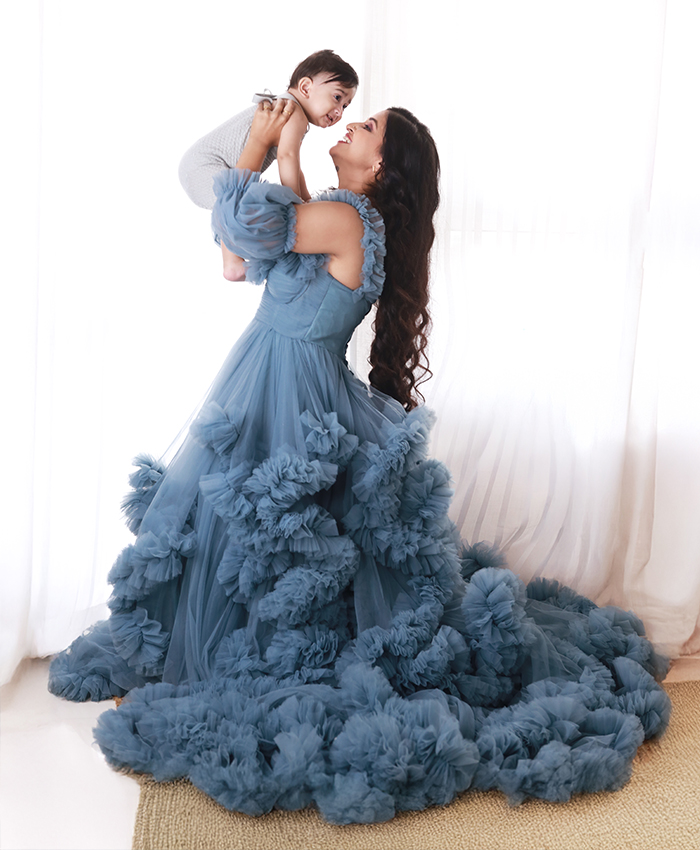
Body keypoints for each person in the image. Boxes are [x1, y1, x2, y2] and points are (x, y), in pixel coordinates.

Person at [48, 100, 671, 825]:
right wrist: (284, 154)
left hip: (292, 393)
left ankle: (248, 653)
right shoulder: (338, 211)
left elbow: (246, 226)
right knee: (250, 530)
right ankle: (229, 641)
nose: (350, 126)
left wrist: (261, 143)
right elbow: (248, 257)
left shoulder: (348, 218)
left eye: (366, 127)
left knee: (269, 531)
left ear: (379, 166)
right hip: (272, 381)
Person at [178, 49, 358, 281]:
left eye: (345, 106)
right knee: (236, 203)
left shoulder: (289, 108)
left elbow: (295, 165)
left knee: (239, 202)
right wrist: (298, 208)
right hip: (204, 165)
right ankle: (232, 263)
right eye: (337, 98)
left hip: (195, 166)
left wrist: (307, 202)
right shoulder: (292, 110)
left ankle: (232, 259)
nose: (339, 111)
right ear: (305, 87)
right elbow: (286, 158)